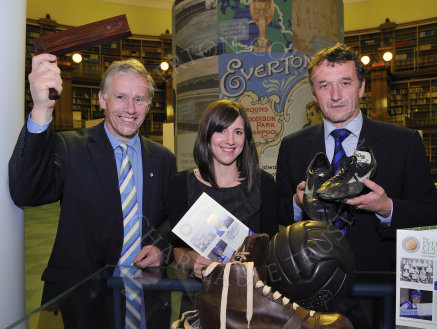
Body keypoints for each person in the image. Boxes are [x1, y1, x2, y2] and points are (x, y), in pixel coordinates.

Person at [275, 43, 437, 328]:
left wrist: (386, 208)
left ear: (362, 87)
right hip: (310, 289)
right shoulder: (292, 147)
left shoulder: (403, 142)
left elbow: (433, 216)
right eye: (325, 85)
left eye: (345, 83)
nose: (336, 95)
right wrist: (295, 203)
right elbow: (276, 214)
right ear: (314, 93)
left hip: (378, 291)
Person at [9, 54, 176, 326]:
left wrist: (161, 247)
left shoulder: (163, 158)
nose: (130, 108)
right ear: (101, 99)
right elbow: (26, 191)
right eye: (120, 97)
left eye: (139, 99)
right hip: (83, 300)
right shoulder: (69, 147)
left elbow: (173, 218)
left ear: (149, 104)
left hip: (147, 297)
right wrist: (41, 108)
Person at [168, 100, 279, 279]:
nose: (230, 140)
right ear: (207, 134)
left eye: (238, 132)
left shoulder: (264, 184)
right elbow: (178, 250)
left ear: (246, 138)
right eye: (221, 130)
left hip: (249, 294)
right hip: (200, 297)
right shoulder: (182, 184)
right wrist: (195, 260)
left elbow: (271, 249)